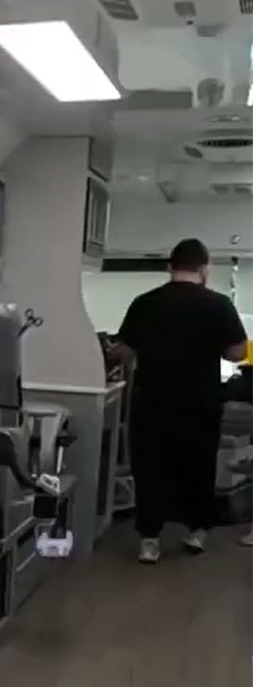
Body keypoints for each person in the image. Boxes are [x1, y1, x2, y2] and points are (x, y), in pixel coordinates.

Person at [116, 239, 248, 564]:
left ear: (170, 267)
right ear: (204, 269)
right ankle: (197, 532)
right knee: (198, 466)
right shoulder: (218, 305)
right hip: (199, 403)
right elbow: (237, 352)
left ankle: (149, 540)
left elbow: (124, 351)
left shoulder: (144, 303)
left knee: (150, 468)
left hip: (152, 401)